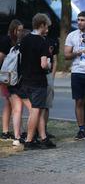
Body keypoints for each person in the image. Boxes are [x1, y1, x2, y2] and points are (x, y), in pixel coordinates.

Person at [20, 13, 56, 149]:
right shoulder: (42, 42)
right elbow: (43, 64)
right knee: (36, 110)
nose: (47, 29)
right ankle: (29, 141)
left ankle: (43, 138)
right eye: (46, 26)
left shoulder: (25, 39)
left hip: (26, 80)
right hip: (38, 81)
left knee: (39, 110)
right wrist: (49, 64)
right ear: (41, 25)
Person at [64, 11, 85, 140]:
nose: (79, 22)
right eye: (78, 20)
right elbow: (66, 55)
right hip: (77, 71)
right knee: (79, 101)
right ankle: (82, 129)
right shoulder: (72, 35)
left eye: (82, 20)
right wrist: (77, 52)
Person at [0, 20, 23, 140]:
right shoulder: (6, 41)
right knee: (11, 104)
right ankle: (7, 131)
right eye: (19, 30)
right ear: (13, 30)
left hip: (11, 77)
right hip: (6, 77)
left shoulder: (16, 41)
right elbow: (1, 58)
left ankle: (5, 131)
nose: (20, 32)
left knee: (8, 104)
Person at [42, 32, 59, 138]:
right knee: (37, 106)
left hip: (48, 76)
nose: (47, 29)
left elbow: (55, 60)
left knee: (47, 106)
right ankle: (36, 130)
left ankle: (44, 129)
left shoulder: (51, 41)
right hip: (36, 77)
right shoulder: (34, 40)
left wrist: (52, 77)